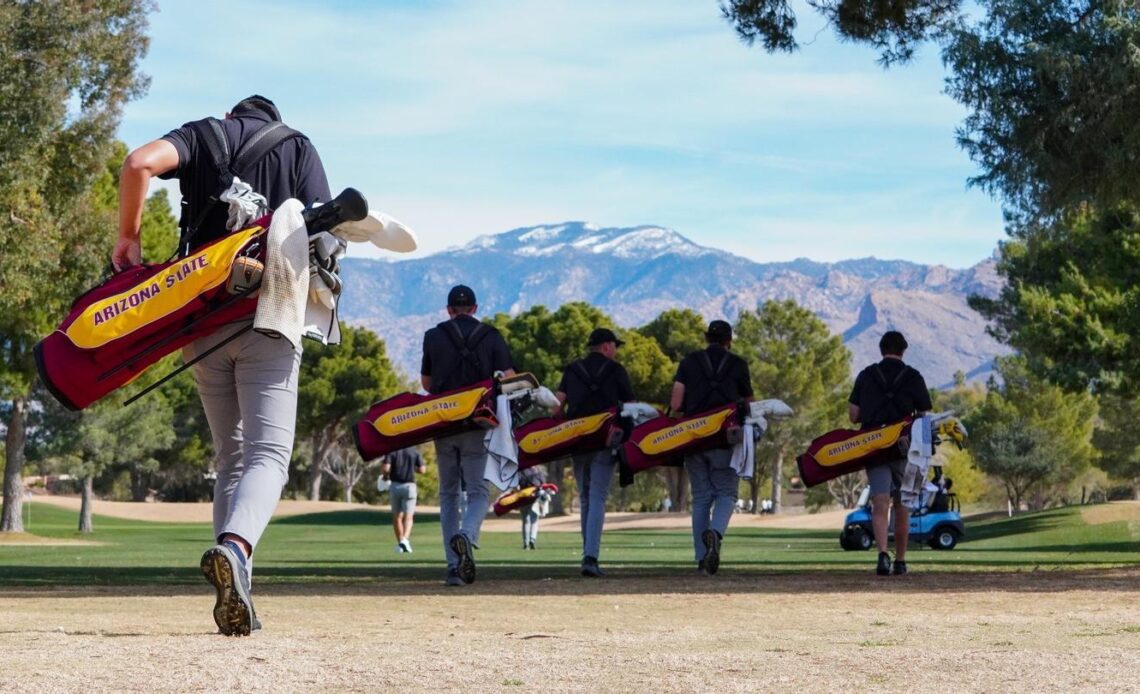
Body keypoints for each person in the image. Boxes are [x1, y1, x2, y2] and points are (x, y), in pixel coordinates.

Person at [114, 95, 331, 636]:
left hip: (201, 323)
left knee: (231, 455)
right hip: (269, 318)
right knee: (269, 454)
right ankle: (235, 549)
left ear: (234, 116)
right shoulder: (298, 147)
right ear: (273, 119)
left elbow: (138, 163)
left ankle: (239, 590)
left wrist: (130, 238)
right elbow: (327, 236)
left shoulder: (202, 135)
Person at [421, 284, 514, 586]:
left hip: (444, 423)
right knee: (478, 492)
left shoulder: (433, 335)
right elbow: (509, 378)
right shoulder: (491, 336)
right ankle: (466, 535)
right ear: (475, 308)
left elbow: (427, 382)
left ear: (449, 309)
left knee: (448, 493)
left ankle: (452, 567)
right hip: (478, 423)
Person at [669, 320, 753, 576]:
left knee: (701, 498)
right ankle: (714, 534)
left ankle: (700, 557)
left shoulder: (689, 362)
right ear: (729, 340)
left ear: (707, 338)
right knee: (727, 494)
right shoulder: (738, 364)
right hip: (724, 440)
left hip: (694, 439)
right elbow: (750, 404)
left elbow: (675, 402)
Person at [848, 330, 933, 577]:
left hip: (874, 449)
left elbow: (854, 416)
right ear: (904, 350)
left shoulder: (866, 375)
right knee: (903, 504)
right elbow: (924, 414)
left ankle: (882, 555)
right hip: (906, 449)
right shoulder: (914, 376)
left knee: (880, 502)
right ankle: (901, 560)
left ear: (881, 349)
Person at [555, 327, 634, 578]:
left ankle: (587, 552)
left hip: (577, 441)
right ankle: (591, 556)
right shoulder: (616, 370)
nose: (616, 351)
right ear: (607, 346)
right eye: (615, 347)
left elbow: (557, 406)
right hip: (605, 440)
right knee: (598, 496)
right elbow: (631, 407)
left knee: (585, 497)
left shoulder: (572, 369)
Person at [382, 446, 427, 553]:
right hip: (410, 486)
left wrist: (385, 476)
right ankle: (405, 540)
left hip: (395, 486)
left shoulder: (392, 450)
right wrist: (413, 468)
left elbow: (386, 468)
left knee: (397, 517)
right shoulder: (415, 451)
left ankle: (401, 543)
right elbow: (422, 470)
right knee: (408, 517)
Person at [518, 465, 549, 550]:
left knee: (525, 521)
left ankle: (526, 543)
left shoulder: (521, 471)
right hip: (535, 499)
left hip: (523, 499)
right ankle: (532, 539)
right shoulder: (539, 472)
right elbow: (544, 486)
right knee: (534, 521)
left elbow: (518, 484)